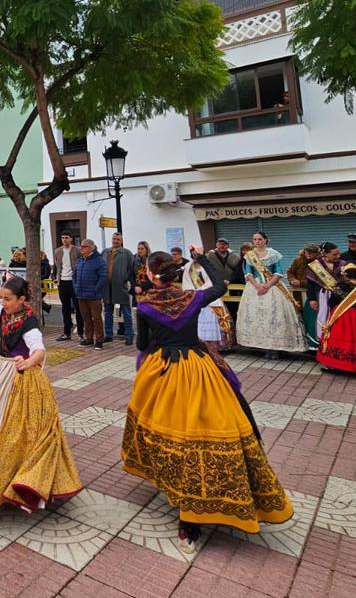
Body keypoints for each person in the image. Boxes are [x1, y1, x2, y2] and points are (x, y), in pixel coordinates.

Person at [122, 249, 293, 552]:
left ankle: (181, 497)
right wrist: (203, 259)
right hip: (199, 367)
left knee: (167, 430)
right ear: (175, 274)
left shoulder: (145, 305)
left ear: (150, 275)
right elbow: (220, 286)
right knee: (213, 424)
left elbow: (143, 344)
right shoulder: (192, 297)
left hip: (164, 371)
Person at [0, 276, 82, 511]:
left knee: (20, 431)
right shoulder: (3, 313)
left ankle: (24, 481)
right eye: (1, 298)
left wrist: (28, 362)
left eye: (8, 299)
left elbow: (39, 350)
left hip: (20, 377)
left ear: (22, 299)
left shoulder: (30, 322)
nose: (3, 303)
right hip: (0, 371)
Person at [236, 232, 306, 356]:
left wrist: (267, 286)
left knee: (274, 315)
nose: (257, 241)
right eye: (255, 239)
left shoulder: (273, 254)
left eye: (259, 239)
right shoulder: (250, 255)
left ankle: (276, 347)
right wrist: (258, 286)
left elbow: (278, 272)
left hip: (273, 286)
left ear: (265, 240)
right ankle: (262, 346)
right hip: (255, 288)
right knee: (257, 316)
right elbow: (248, 273)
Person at [181, 253, 233, 352]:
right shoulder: (188, 266)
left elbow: (212, 280)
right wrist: (192, 292)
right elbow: (186, 281)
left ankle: (215, 346)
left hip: (210, 296)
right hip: (194, 296)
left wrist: (202, 290)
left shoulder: (207, 265)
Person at [306, 242, 345, 348]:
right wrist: (312, 299)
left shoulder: (343, 264)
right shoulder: (315, 266)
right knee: (322, 319)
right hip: (322, 297)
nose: (338, 256)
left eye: (338, 253)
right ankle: (323, 344)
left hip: (339, 297)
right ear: (325, 254)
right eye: (334, 254)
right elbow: (311, 284)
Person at [286, 244, 322, 351]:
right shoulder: (298, 260)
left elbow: (316, 280)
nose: (309, 254)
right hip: (298, 293)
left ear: (317, 253)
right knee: (298, 316)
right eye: (307, 252)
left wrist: (301, 282)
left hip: (312, 294)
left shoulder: (319, 263)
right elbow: (290, 272)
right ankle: (301, 342)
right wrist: (292, 280)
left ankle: (313, 343)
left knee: (311, 319)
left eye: (312, 252)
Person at [74, 239, 107, 348]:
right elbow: (75, 275)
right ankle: (89, 338)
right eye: (81, 246)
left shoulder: (99, 261)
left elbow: (103, 277)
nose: (81, 248)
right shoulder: (80, 260)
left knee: (96, 318)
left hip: (94, 296)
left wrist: (95, 289)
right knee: (86, 318)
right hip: (81, 294)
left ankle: (99, 339)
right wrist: (76, 287)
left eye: (84, 246)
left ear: (90, 248)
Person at [103, 232, 135, 344]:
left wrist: (125, 278)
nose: (115, 241)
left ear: (121, 241)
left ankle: (129, 335)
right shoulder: (105, 252)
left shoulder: (127, 253)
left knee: (126, 312)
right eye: (114, 239)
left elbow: (131, 269)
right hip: (107, 287)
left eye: (117, 239)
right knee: (108, 312)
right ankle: (108, 334)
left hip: (121, 286)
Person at [52, 232, 83, 340]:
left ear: (71, 239)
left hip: (74, 282)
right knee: (65, 308)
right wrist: (55, 277)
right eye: (62, 238)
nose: (64, 239)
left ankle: (81, 332)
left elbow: (81, 264)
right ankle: (66, 332)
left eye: (66, 238)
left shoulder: (77, 251)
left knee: (78, 307)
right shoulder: (57, 251)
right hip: (62, 282)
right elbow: (56, 266)